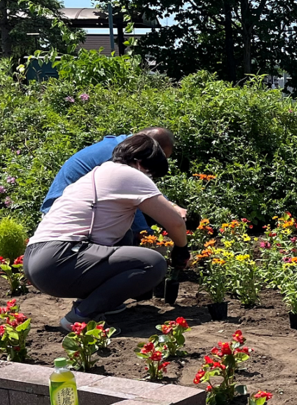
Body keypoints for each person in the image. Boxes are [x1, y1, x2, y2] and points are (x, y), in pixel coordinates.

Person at [23, 134, 190, 332]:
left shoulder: (99, 173)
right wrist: (182, 249)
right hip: (59, 260)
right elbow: (176, 224)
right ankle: (81, 316)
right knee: (152, 263)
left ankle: (100, 304)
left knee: (125, 236)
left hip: (38, 259)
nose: (150, 178)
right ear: (138, 162)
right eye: (150, 173)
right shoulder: (130, 174)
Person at [41, 128, 176, 244]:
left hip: (84, 211)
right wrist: (146, 235)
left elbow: (143, 190)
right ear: (150, 148)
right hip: (65, 218)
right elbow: (133, 198)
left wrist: (172, 207)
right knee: (128, 238)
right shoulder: (119, 157)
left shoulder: (122, 148)